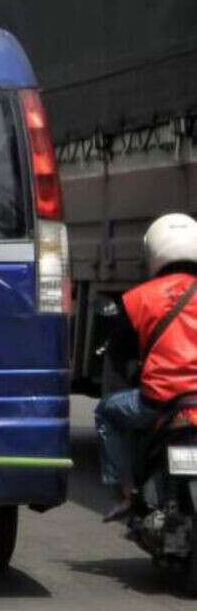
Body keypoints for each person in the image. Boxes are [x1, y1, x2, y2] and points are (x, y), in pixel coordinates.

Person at [97, 212, 197, 522]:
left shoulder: (137, 299)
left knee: (107, 413)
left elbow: (119, 353)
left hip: (159, 402)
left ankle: (126, 491)